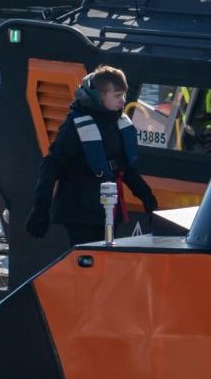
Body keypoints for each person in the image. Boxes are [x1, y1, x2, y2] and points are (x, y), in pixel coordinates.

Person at [26, 65, 160, 249]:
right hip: (79, 211)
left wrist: (147, 197)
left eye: (123, 95)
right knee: (85, 261)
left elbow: (123, 167)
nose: (123, 101)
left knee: (105, 261)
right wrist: (40, 209)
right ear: (99, 96)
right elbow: (51, 166)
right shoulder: (75, 126)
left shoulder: (117, 123)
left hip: (108, 210)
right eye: (117, 96)